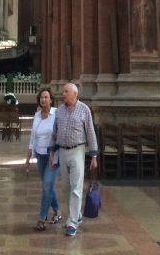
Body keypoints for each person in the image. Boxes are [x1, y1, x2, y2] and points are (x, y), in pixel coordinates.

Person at [49, 82, 98, 238]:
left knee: (76, 187)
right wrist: (52, 151)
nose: (63, 94)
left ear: (75, 94)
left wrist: (94, 155)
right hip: (62, 151)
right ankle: (76, 215)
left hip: (77, 150)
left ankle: (72, 223)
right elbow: (54, 131)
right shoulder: (59, 111)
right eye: (63, 92)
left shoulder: (84, 110)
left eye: (66, 92)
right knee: (66, 187)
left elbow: (90, 132)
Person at [25, 87, 61, 231]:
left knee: (46, 186)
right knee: (49, 186)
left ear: (51, 99)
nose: (43, 100)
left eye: (46, 97)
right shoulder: (37, 115)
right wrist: (28, 157)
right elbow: (32, 138)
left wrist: (56, 137)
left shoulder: (57, 114)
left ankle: (42, 217)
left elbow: (61, 134)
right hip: (40, 155)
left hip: (53, 155)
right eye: (41, 97)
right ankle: (57, 212)